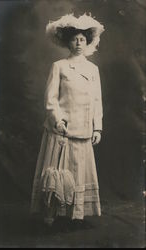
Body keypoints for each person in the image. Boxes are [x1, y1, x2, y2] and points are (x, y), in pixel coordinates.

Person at [31, 13, 105, 231]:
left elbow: (97, 100)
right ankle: (51, 212)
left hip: (83, 129)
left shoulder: (93, 70)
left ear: (88, 41)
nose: (79, 43)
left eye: (83, 39)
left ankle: (76, 213)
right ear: (68, 42)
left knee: (78, 172)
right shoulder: (59, 66)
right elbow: (50, 98)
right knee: (57, 172)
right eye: (75, 39)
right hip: (62, 129)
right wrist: (57, 119)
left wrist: (97, 126)